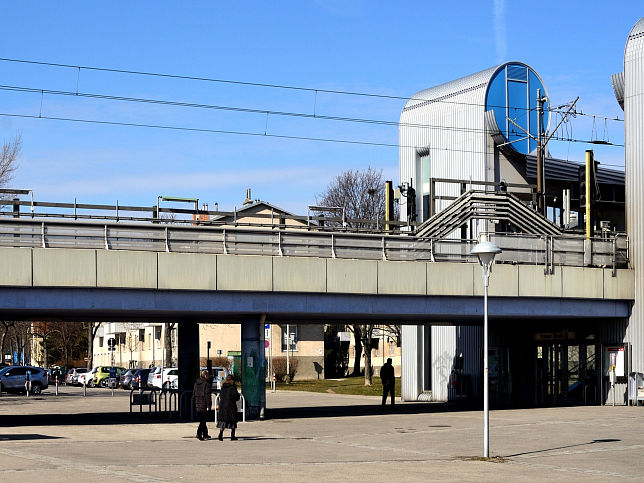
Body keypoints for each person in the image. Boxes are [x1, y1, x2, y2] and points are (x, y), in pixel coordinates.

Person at [217, 374, 240, 441]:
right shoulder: (233, 387)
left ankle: (220, 434)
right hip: (231, 406)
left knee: (223, 421)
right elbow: (236, 397)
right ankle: (232, 436)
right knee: (232, 421)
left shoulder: (223, 387)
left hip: (223, 406)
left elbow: (221, 396)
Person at [193, 369, 213, 441]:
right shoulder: (206, 384)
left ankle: (205, 433)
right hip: (204, 403)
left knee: (202, 419)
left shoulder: (196, 383)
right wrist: (209, 405)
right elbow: (207, 395)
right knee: (203, 420)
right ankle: (199, 433)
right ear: (205, 375)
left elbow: (194, 393)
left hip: (197, 403)